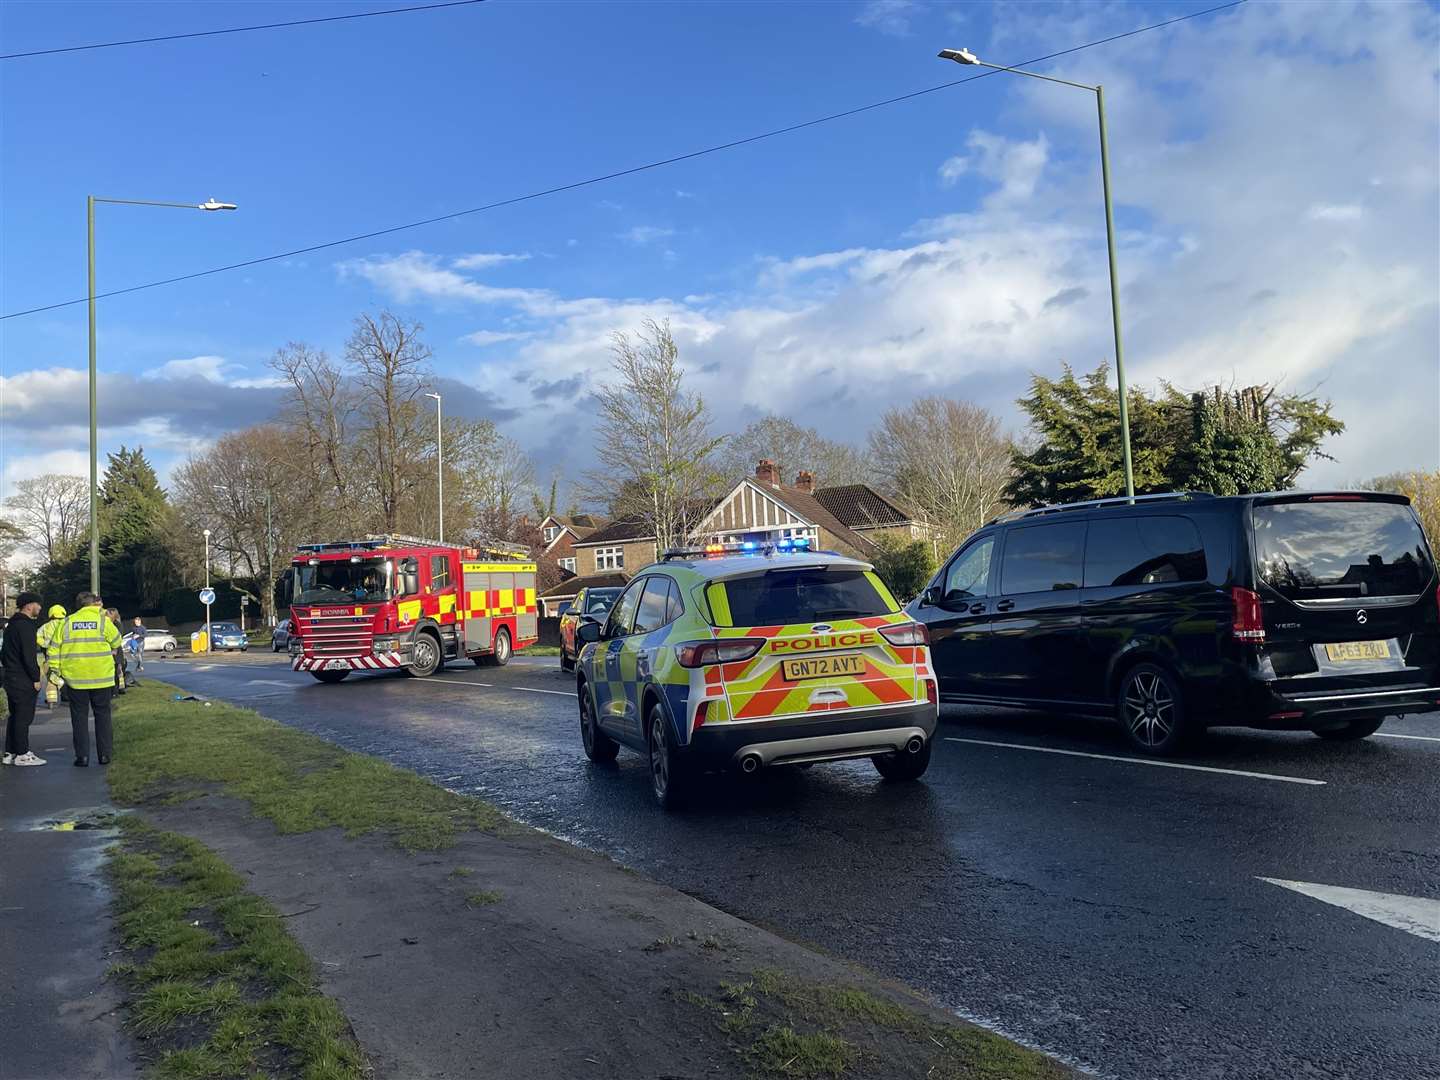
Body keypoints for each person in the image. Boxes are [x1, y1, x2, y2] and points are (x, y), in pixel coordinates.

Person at [53, 592, 121, 767]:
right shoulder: (103, 622)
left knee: (79, 718)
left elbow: (54, 649)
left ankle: (82, 757)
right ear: (93, 605)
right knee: (103, 716)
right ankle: (104, 755)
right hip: (102, 678)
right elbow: (116, 641)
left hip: (76, 679)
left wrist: (56, 673)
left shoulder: (66, 623)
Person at [2, 592, 46, 767]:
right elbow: (29, 655)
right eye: (38, 604)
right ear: (29, 605)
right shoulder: (26, 626)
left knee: (15, 716)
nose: (40, 608)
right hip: (23, 678)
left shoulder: (11, 626)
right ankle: (22, 753)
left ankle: (10, 752)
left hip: (11, 675)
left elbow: (4, 653)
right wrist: (35, 677)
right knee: (24, 716)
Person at [36, 604, 67, 710]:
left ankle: (51, 701)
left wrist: (45, 644)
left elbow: (37, 636)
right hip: (67, 656)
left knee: (51, 679)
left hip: (51, 656)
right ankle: (66, 695)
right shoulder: (67, 624)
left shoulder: (46, 626)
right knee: (67, 676)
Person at [124, 616, 145, 685]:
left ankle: (140, 666)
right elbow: (133, 634)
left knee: (140, 654)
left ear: (140, 621)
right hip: (135, 643)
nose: (135, 623)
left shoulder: (143, 628)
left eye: (137, 622)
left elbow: (145, 635)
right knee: (134, 654)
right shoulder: (134, 628)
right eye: (135, 622)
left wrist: (139, 636)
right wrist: (133, 636)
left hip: (140, 642)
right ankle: (138, 665)